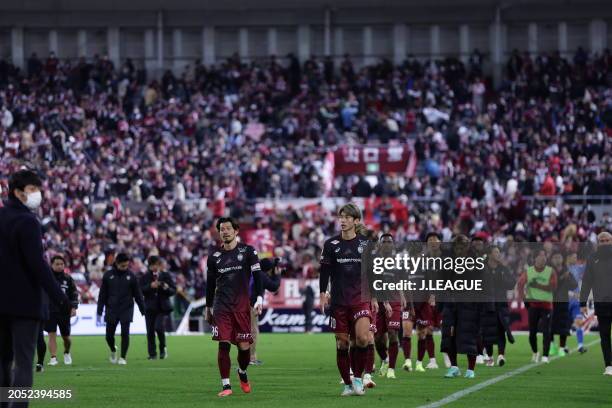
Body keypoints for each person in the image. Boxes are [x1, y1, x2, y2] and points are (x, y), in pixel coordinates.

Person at [0, 169, 70, 407]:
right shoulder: (28, 222)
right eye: (32, 190)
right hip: (25, 303)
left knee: (2, 362)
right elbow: (37, 264)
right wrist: (60, 297)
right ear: (18, 193)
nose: (37, 194)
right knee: (23, 363)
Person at [319, 203, 376, 396]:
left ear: (356, 220)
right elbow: (324, 272)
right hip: (339, 302)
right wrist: (322, 294)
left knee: (362, 338)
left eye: (347, 217)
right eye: (341, 217)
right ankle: (347, 384)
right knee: (342, 343)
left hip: (360, 299)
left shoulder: (365, 244)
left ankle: (358, 378)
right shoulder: (330, 245)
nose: (342, 220)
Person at [205, 217, 263, 397]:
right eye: (222, 229)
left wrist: (259, 298)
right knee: (223, 344)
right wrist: (208, 307)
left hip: (242, 307)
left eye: (228, 228)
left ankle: (242, 371)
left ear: (236, 231)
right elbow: (209, 284)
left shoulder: (248, 251)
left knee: (244, 348)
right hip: (221, 306)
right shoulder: (214, 257)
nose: (225, 232)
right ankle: (226, 386)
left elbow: (258, 276)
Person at [440, 235, 480, 379]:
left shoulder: (475, 262)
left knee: (469, 337)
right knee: (449, 337)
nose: (459, 249)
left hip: (469, 304)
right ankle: (454, 367)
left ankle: (471, 369)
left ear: (467, 247)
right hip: (451, 304)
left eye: (462, 246)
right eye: (457, 247)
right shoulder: (448, 262)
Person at [97, 252, 145, 365]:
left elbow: (138, 294)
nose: (125, 268)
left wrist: (143, 309)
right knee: (109, 336)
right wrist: (99, 310)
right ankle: (113, 349)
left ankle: (123, 357)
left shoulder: (132, 276)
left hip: (126, 308)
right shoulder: (108, 275)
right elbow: (102, 295)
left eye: (126, 265)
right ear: (117, 263)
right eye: (123, 265)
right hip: (111, 309)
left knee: (125, 333)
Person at [517, 248, 558, 363]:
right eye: (540, 256)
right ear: (534, 258)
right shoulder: (529, 271)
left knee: (546, 331)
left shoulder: (551, 271)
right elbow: (520, 284)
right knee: (532, 332)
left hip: (547, 305)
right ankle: (535, 352)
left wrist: (536, 285)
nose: (542, 258)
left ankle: (545, 355)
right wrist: (524, 298)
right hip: (533, 305)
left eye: (544, 256)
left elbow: (553, 287)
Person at [580, 231, 612, 375]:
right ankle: (609, 365)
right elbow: (586, 282)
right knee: (604, 335)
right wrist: (582, 303)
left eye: (607, 240)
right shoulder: (592, 258)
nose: (605, 243)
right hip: (602, 303)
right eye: (602, 241)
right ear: (598, 243)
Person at [44, 255, 78, 366]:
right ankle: (53, 358)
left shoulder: (68, 279)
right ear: (52, 265)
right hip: (50, 311)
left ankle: (67, 352)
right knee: (51, 335)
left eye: (61, 264)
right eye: (57, 264)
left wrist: (73, 307)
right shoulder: (47, 278)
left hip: (64, 311)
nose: (60, 266)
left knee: (66, 338)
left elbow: (74, 294)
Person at [140, 256, 176, 360]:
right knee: (150, 331)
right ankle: (152, 354)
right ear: (149, 266)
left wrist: (166, 288)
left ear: (159, 265)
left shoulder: (166, 275)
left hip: (162, 307)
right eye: (152, 265)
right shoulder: (145, 277)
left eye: (156, 264)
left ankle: (163, 349)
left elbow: (173, 290)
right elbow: (140, 290)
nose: (154, 267)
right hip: (149, 307)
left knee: (159, 327)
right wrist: (150, 286)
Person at [250, 257, 282, 365]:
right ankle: (251, 358)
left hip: (240, 304)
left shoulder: (253, 272)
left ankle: (248, 357)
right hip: (251, 305)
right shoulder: (261, 275)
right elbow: (273, 287)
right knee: (253, 331)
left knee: (246, 332)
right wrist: (277, 275)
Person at [550, 251, 577, 357]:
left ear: (562, 259)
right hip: (551, 301)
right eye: (555, 257)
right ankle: (552, 345)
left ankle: (561, 348)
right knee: (550, 325)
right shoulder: (549, 271)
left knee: (563, 326)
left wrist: (568, 278)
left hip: (563, 302)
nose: (557, 260)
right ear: (552, 260)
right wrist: (562, 278)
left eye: (559, 257)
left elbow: (574, 285)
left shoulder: (567, 271)